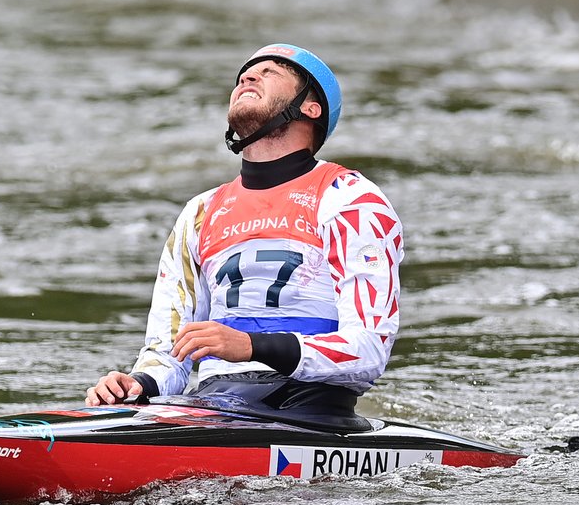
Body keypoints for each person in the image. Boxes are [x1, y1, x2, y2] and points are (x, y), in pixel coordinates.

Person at [85, 44, 403, 429]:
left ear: (310, 108)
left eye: (270, 73)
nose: (247, 78)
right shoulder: (200, 212)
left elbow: (369, 349)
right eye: (243, 76)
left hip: (310, 408)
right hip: (216, 403)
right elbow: (170, 351)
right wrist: (138, 383)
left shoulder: (350, 199)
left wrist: (251, 347)